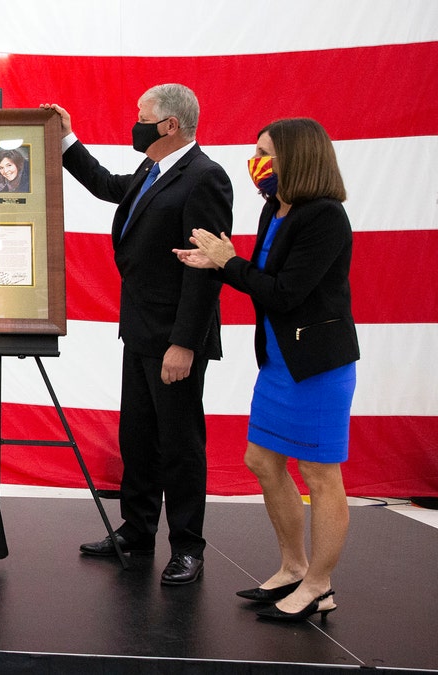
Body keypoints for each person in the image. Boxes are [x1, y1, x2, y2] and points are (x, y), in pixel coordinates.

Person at [42, 83, 233, 586]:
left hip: (175, 337)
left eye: (142, 115)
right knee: (140, 438)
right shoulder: (153, 169)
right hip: (141, 329)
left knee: (180, 444)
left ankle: (188, 546)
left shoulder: (205, 178)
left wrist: (185, 343)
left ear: (170, 125)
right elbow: (109, 186)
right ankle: (137, 530)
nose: (136, 121)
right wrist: (66, 140)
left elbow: (204, 270)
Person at [174, 118, 358, 620]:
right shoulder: (273, 209)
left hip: (315, 367)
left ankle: (320, 585)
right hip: (278, 362)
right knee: (261, 460)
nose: (257, 163)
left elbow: (284, 292)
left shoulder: (324, 217)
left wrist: (227, 262)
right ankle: (294, 566)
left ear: (297, 159)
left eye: (266, 153)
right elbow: (261, 278)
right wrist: (219, 264)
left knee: (321, 475)